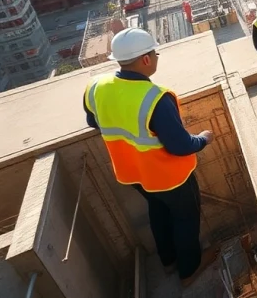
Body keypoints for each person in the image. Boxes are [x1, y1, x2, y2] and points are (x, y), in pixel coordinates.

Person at [83, 29, 218, 287]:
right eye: (155, 53)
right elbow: (180, 145)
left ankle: (168, 262)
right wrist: (204, 138)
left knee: (159, 212)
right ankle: (189, 270)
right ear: (145, 59)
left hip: (134, 174)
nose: (156, 58)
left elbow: (93, 121)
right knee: (186, 219)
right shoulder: (156, 98)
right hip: (171, 179)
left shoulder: (96, 87)